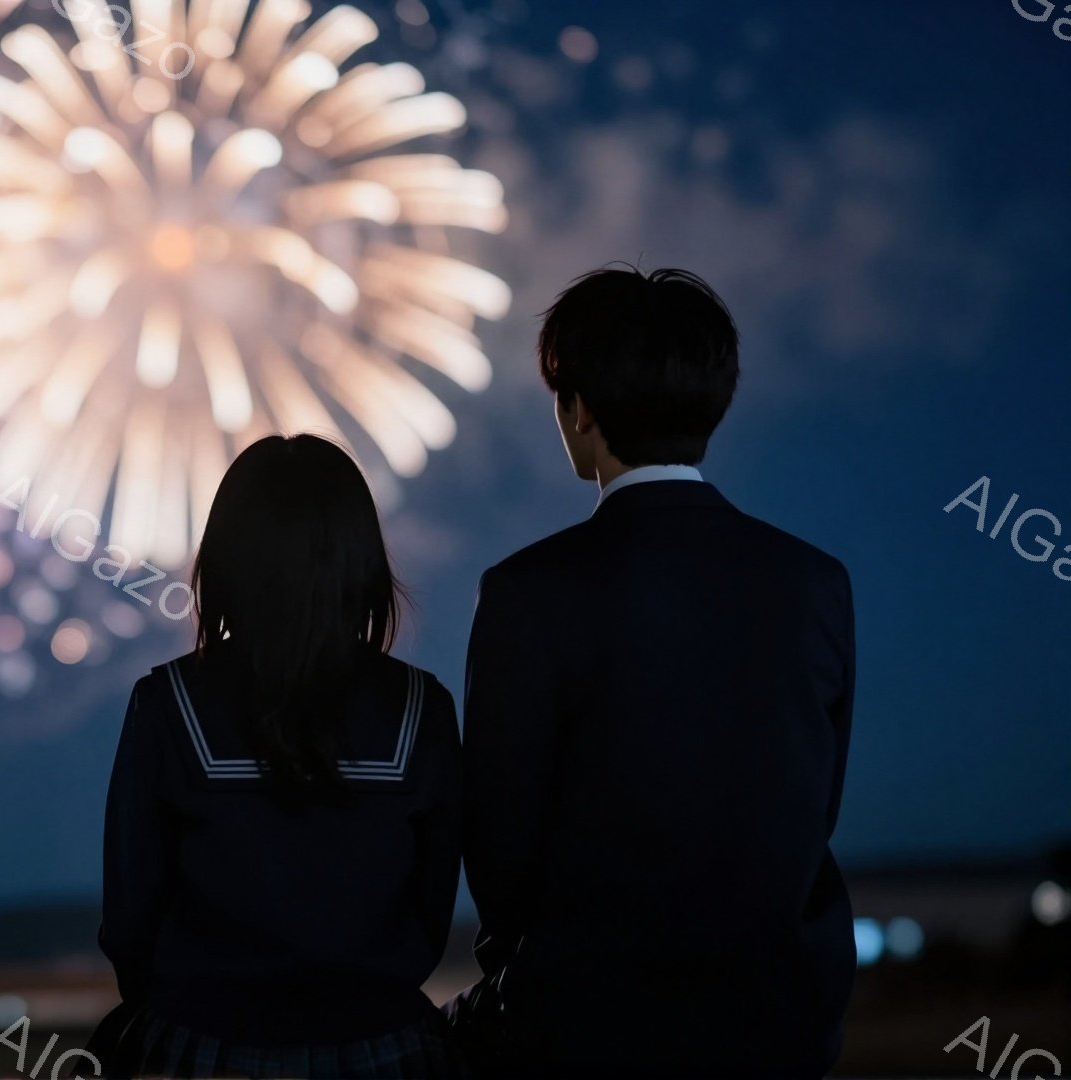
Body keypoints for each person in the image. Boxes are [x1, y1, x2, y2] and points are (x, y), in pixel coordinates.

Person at [448, 266, 857, 1078]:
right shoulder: (815, 581)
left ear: (579, 410)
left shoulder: (528, 590)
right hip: (779, 1018)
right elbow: (817, 805)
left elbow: (499, 849)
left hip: (587, 1025)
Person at [91, 433, 468, 1080]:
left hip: (201, 1046)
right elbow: (431, 909)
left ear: (226, 559)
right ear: (359, 559)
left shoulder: (168, 703)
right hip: (385, 1046)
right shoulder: (420, 708)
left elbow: (130, 916)